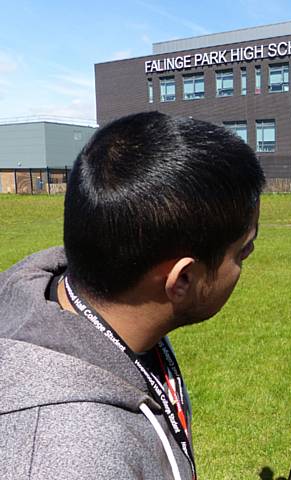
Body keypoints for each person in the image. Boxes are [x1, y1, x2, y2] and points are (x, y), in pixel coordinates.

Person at [0, 112, 264, 479]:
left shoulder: (82, 299)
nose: (244, 264)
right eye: (243, 252)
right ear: (182, 279)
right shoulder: (73, 458)